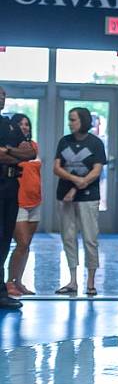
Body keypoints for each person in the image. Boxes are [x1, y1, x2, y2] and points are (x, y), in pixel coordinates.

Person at [53, 106, 107, 296]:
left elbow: (97, 170)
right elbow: (57, 168)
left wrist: (79, 185)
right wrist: (76, 181)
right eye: (69, 120)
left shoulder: (95, 143)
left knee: (90, 238)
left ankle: (91, 282)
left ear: (83, 121)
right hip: (65, 196)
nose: (70, 123)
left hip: (88, 197)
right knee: (68, 237)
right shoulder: (64, 141)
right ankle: (73, 281)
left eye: (73, 120)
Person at [0, 86, 35, 310]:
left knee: (4, 239)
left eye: (3, 95)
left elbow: (30, 152)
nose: (2, 98)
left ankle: (1, 292)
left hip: (11, 186)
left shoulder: (9, 124)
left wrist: (8, 152)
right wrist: (13, 152)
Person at [7, 114, 40, 297]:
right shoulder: (11, 147)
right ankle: (9, 282)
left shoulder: (34, 146)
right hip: (18, 201)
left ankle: (18, 281)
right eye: (21, 124)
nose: (25, 127)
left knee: (27, 246)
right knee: (22, 242)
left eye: (27, 124)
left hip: (35, 201)